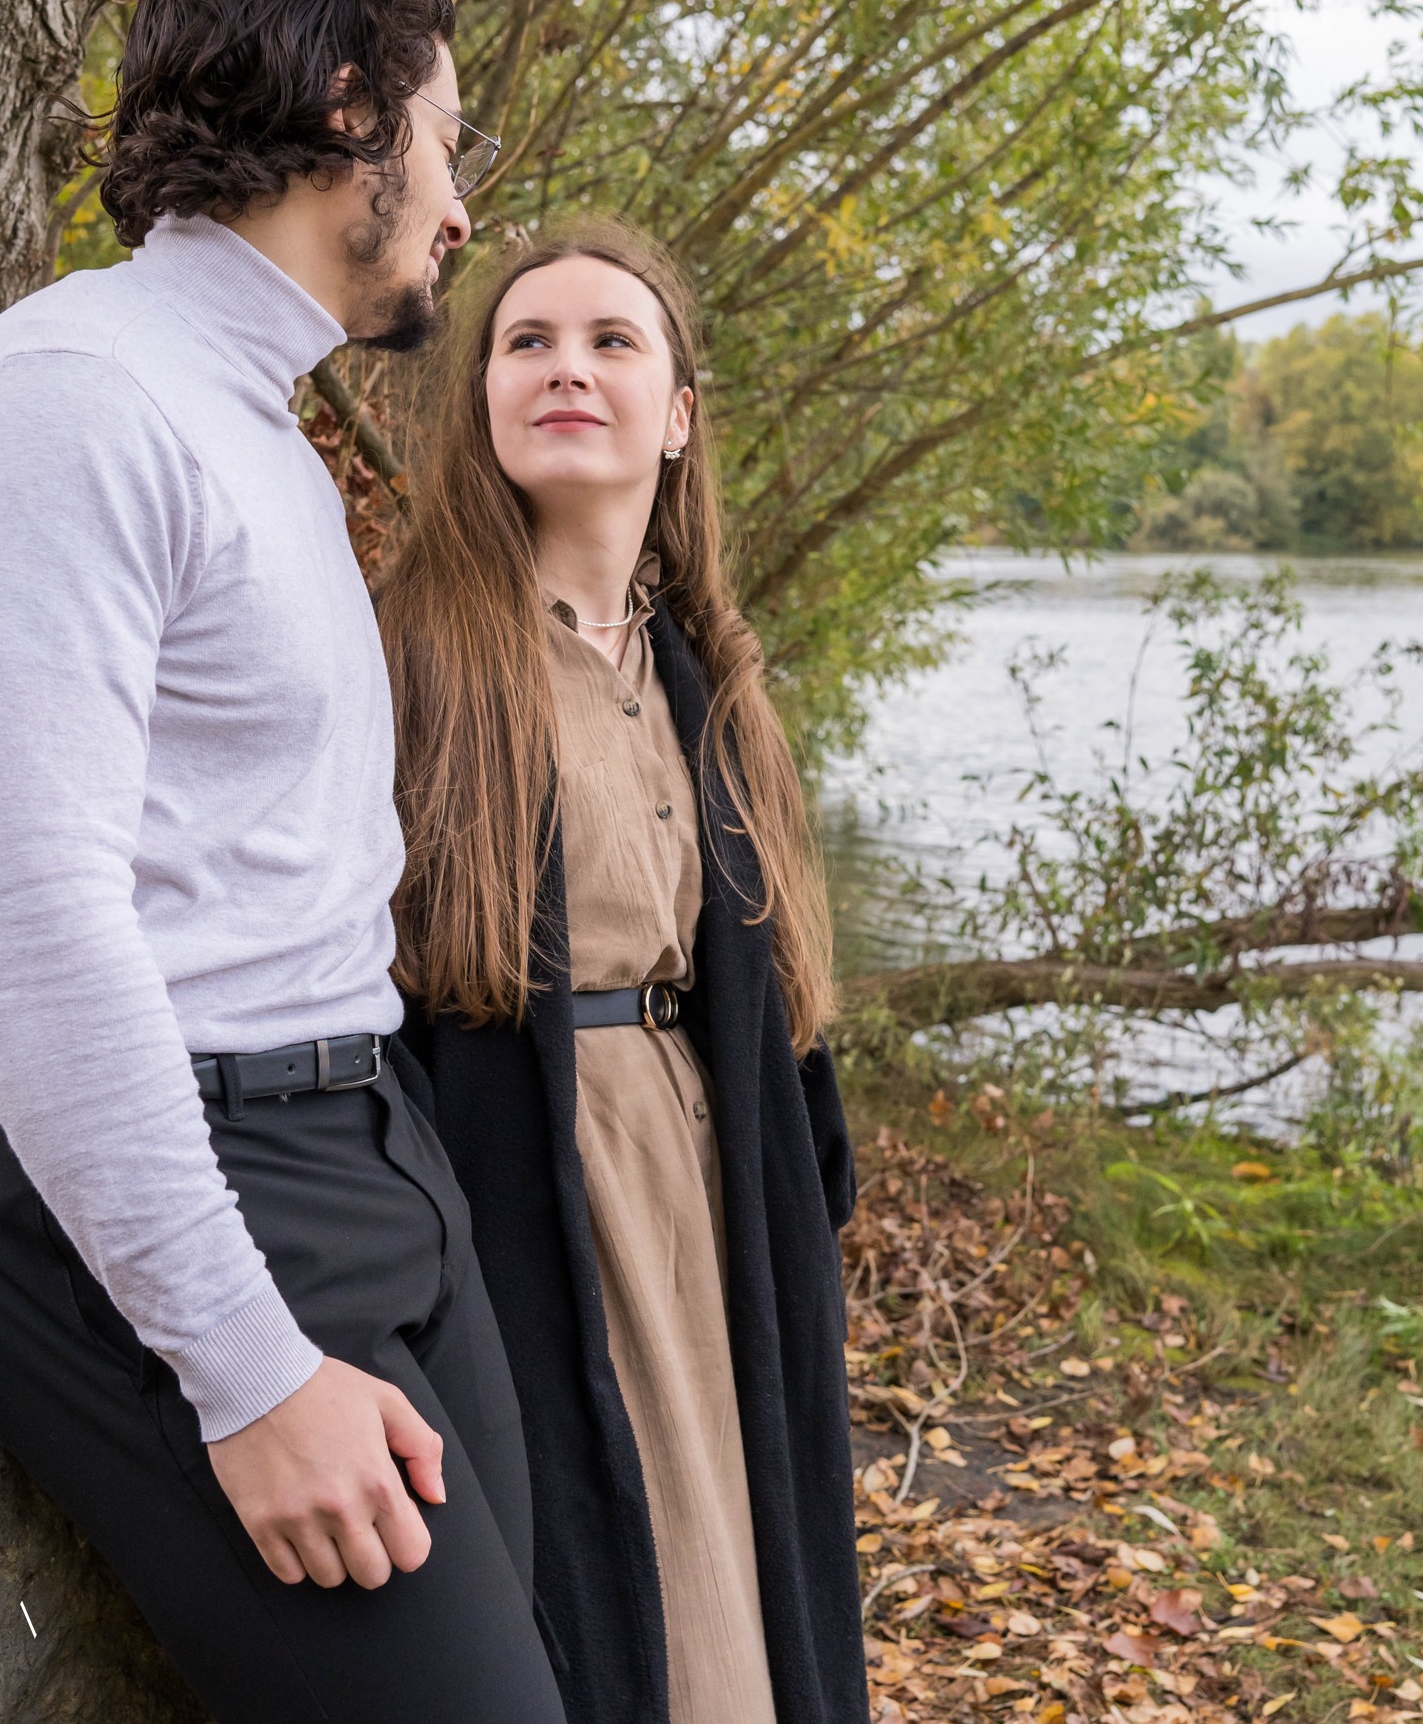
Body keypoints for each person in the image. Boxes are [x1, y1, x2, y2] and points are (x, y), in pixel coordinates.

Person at [0, 0, 566, 1724]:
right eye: (452, 141)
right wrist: (240, 1369)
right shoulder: (73, 400)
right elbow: (27, 924)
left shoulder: (253, 420)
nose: (461, 207)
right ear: (351, 111)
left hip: (368, 1151)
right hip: (194, 1179)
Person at [379, 214, 870, 1724]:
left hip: (720, 1180)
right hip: (529, 1175)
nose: (565, 368)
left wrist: (807, 1175)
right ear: (480, 400)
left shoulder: (710, 670)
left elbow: (782, 989)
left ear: (679, 417)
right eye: (525, 341)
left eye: (612, 342)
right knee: (626, 1616)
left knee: (757, 1577)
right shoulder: (407, 653)